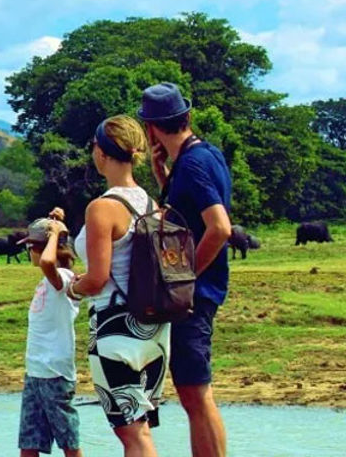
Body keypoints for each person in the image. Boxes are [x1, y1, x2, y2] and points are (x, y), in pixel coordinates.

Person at [139, 83, 231, 457]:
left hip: (194, 295)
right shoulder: (204, 155)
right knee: (194, 393)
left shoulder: (192, 165)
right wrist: (162, 175)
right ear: (187, 117)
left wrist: (187, 275)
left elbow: (219, 227)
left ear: (151, 130)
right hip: (199, 292)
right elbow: (189, 213)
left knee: (195, 394)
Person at [70, 115, 170, 457]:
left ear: (101, 153)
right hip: (154, 331)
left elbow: (97, 278)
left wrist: (72, 288)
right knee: (140, 431)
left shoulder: (102, 208)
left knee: (133, 436)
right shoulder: (152, 204)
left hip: (115, 330)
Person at [17, 214, 84, 457]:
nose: (30, 253)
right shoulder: (46, 282)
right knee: (29, 442)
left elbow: (48, 263)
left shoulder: (63, 277)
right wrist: (55, 222)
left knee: (69, 441)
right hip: (35, 371)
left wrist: (54, 234)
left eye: (32, 247)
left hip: (54, 373)